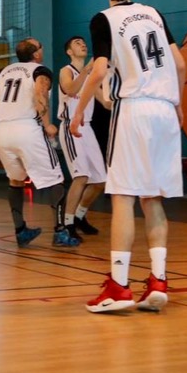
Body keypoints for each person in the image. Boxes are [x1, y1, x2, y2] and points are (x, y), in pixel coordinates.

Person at [69, 0, 187, 313]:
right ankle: (158, 281)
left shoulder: (103, 19)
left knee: (122, 195)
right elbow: (180, 64)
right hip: (165, 110)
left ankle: (119, 287)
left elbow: (99, 70)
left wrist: (78, 110)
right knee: (153, 198)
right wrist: (178, 103)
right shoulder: (154, 14)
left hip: (134, 109)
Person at [0, 38, 74, 248]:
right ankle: (61, 232)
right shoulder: (40, 70)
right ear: (36, 54)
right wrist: (47, 124)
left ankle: (21, 231)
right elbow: (40, 94)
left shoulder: (4, 71)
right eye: (40, 47)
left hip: (1, 131)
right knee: (55, 179)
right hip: (27, 128)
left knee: (16, 180)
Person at [58, 36, 105, 236]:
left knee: (100, 181)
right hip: (71, 127)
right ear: (69, 51)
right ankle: (67, 224)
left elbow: (106, 102)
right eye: (77, 43)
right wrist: (87, 70)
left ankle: (79, 216)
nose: (83, 44)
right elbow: (70, 89)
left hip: (88, 128)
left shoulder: (91, 75)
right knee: (81, 176)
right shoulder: (66, 70)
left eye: (84, 42)